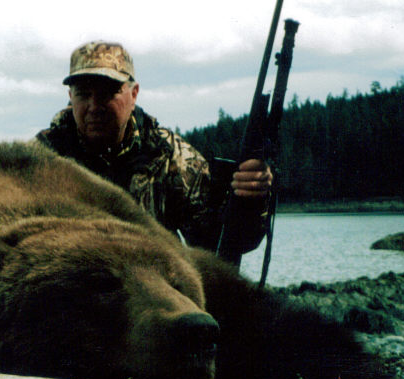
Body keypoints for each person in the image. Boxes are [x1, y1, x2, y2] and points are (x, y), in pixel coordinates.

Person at [36, 40, 273, 255]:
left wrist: (251, 199)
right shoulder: (41, 159)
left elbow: (219, 242)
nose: (95, 106)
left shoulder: (170, 156)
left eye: (108, 93)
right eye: (84, 94)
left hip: (151, 287)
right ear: (70, 96)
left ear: (134, 94)